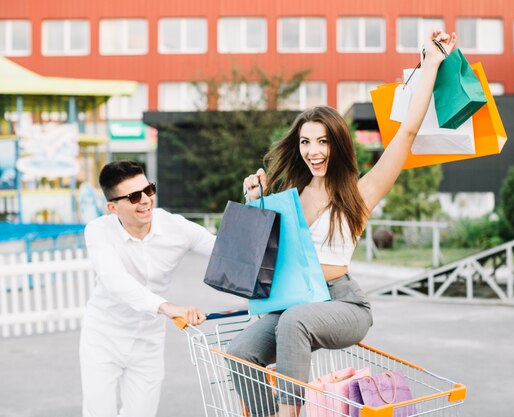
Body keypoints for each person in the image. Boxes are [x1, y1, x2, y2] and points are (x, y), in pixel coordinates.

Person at [227, 30, 457, 417]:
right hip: (294, 306)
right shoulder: (289, 198)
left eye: (322, 141)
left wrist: (431, 63)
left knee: (295, 322)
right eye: (305, 142)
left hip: (343, 304)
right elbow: (263, 255)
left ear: (338, 144)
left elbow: (408, 133)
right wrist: (255, 201)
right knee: (239, 353)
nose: (313, 151)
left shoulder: (360, 194)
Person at [79, 160, 215, 417]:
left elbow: (226, 250)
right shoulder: (97, 231)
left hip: (148, 342)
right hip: (103, 338)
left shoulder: (176, 227)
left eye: (148, 190)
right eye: (133, 197)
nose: (145, 200)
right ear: (112, 208)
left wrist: (254, 201)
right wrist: (168, 308)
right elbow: (114, 280)